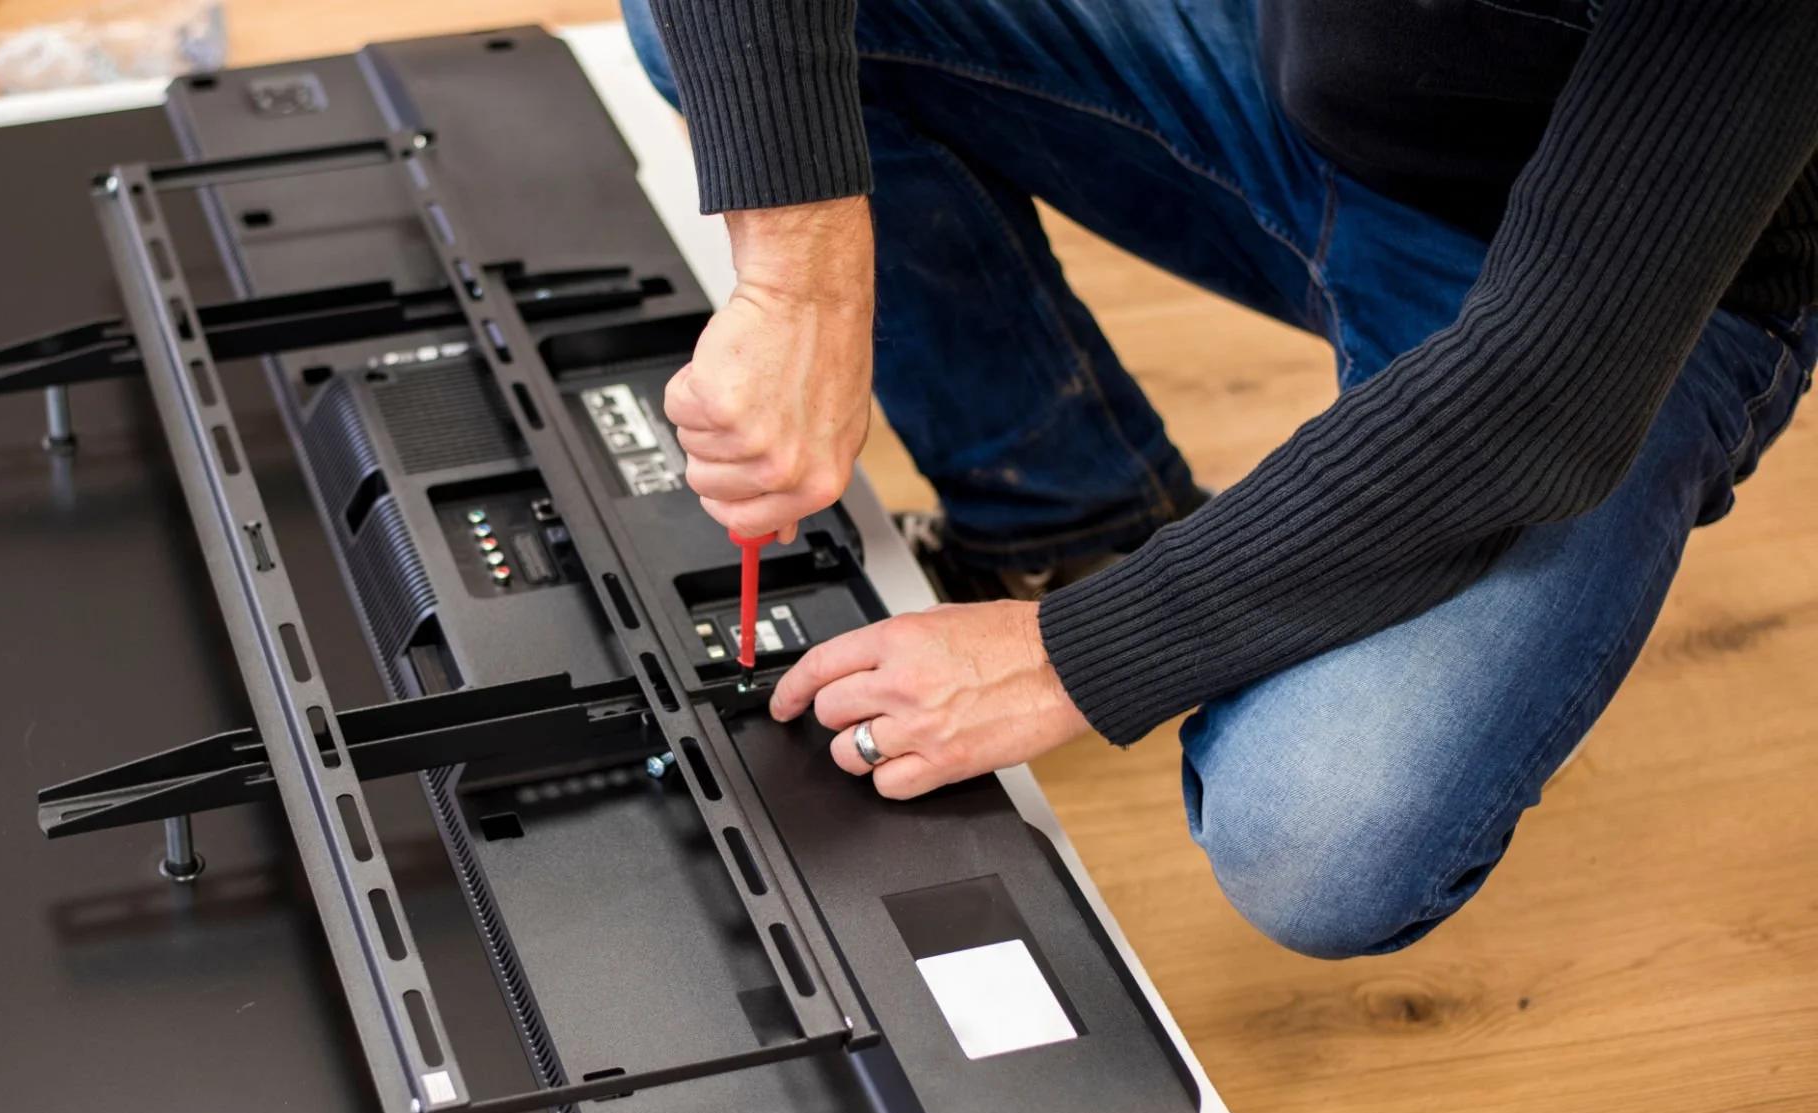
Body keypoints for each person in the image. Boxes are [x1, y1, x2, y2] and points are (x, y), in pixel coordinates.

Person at [620, 0, 1818, 958]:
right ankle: (1068, 519)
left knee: (1322, 834)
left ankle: (1088, 579)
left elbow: (1540, 392)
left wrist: (1066, 656)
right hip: (1311, 79)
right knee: (730, 36)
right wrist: (798, 275)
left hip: (1640, 292)